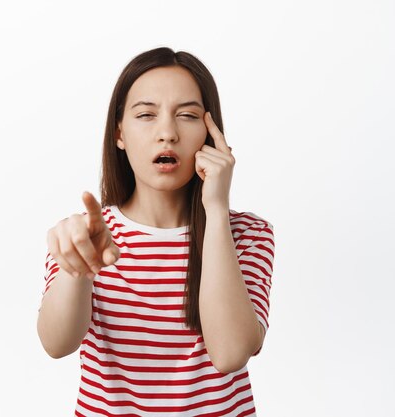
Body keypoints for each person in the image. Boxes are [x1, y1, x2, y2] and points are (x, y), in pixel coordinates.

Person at [36, 46, 275, 416]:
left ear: (211, 134)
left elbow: (229, 353)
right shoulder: (84, 235)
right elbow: (56, 344)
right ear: (119, 133)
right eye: (146, 115)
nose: (167, 133)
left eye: (188, 115)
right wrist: (78, 268)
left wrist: (215, 209)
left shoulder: (247, 234)